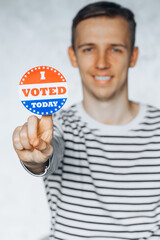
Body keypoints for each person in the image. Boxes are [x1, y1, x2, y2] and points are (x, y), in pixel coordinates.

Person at [12, 1, 160, 240]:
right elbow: (50, 150)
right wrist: (36, 158)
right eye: (89, 49)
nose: (101, 63)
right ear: (73, 56)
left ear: (133, 56)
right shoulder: (57, 126)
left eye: (116, 49)